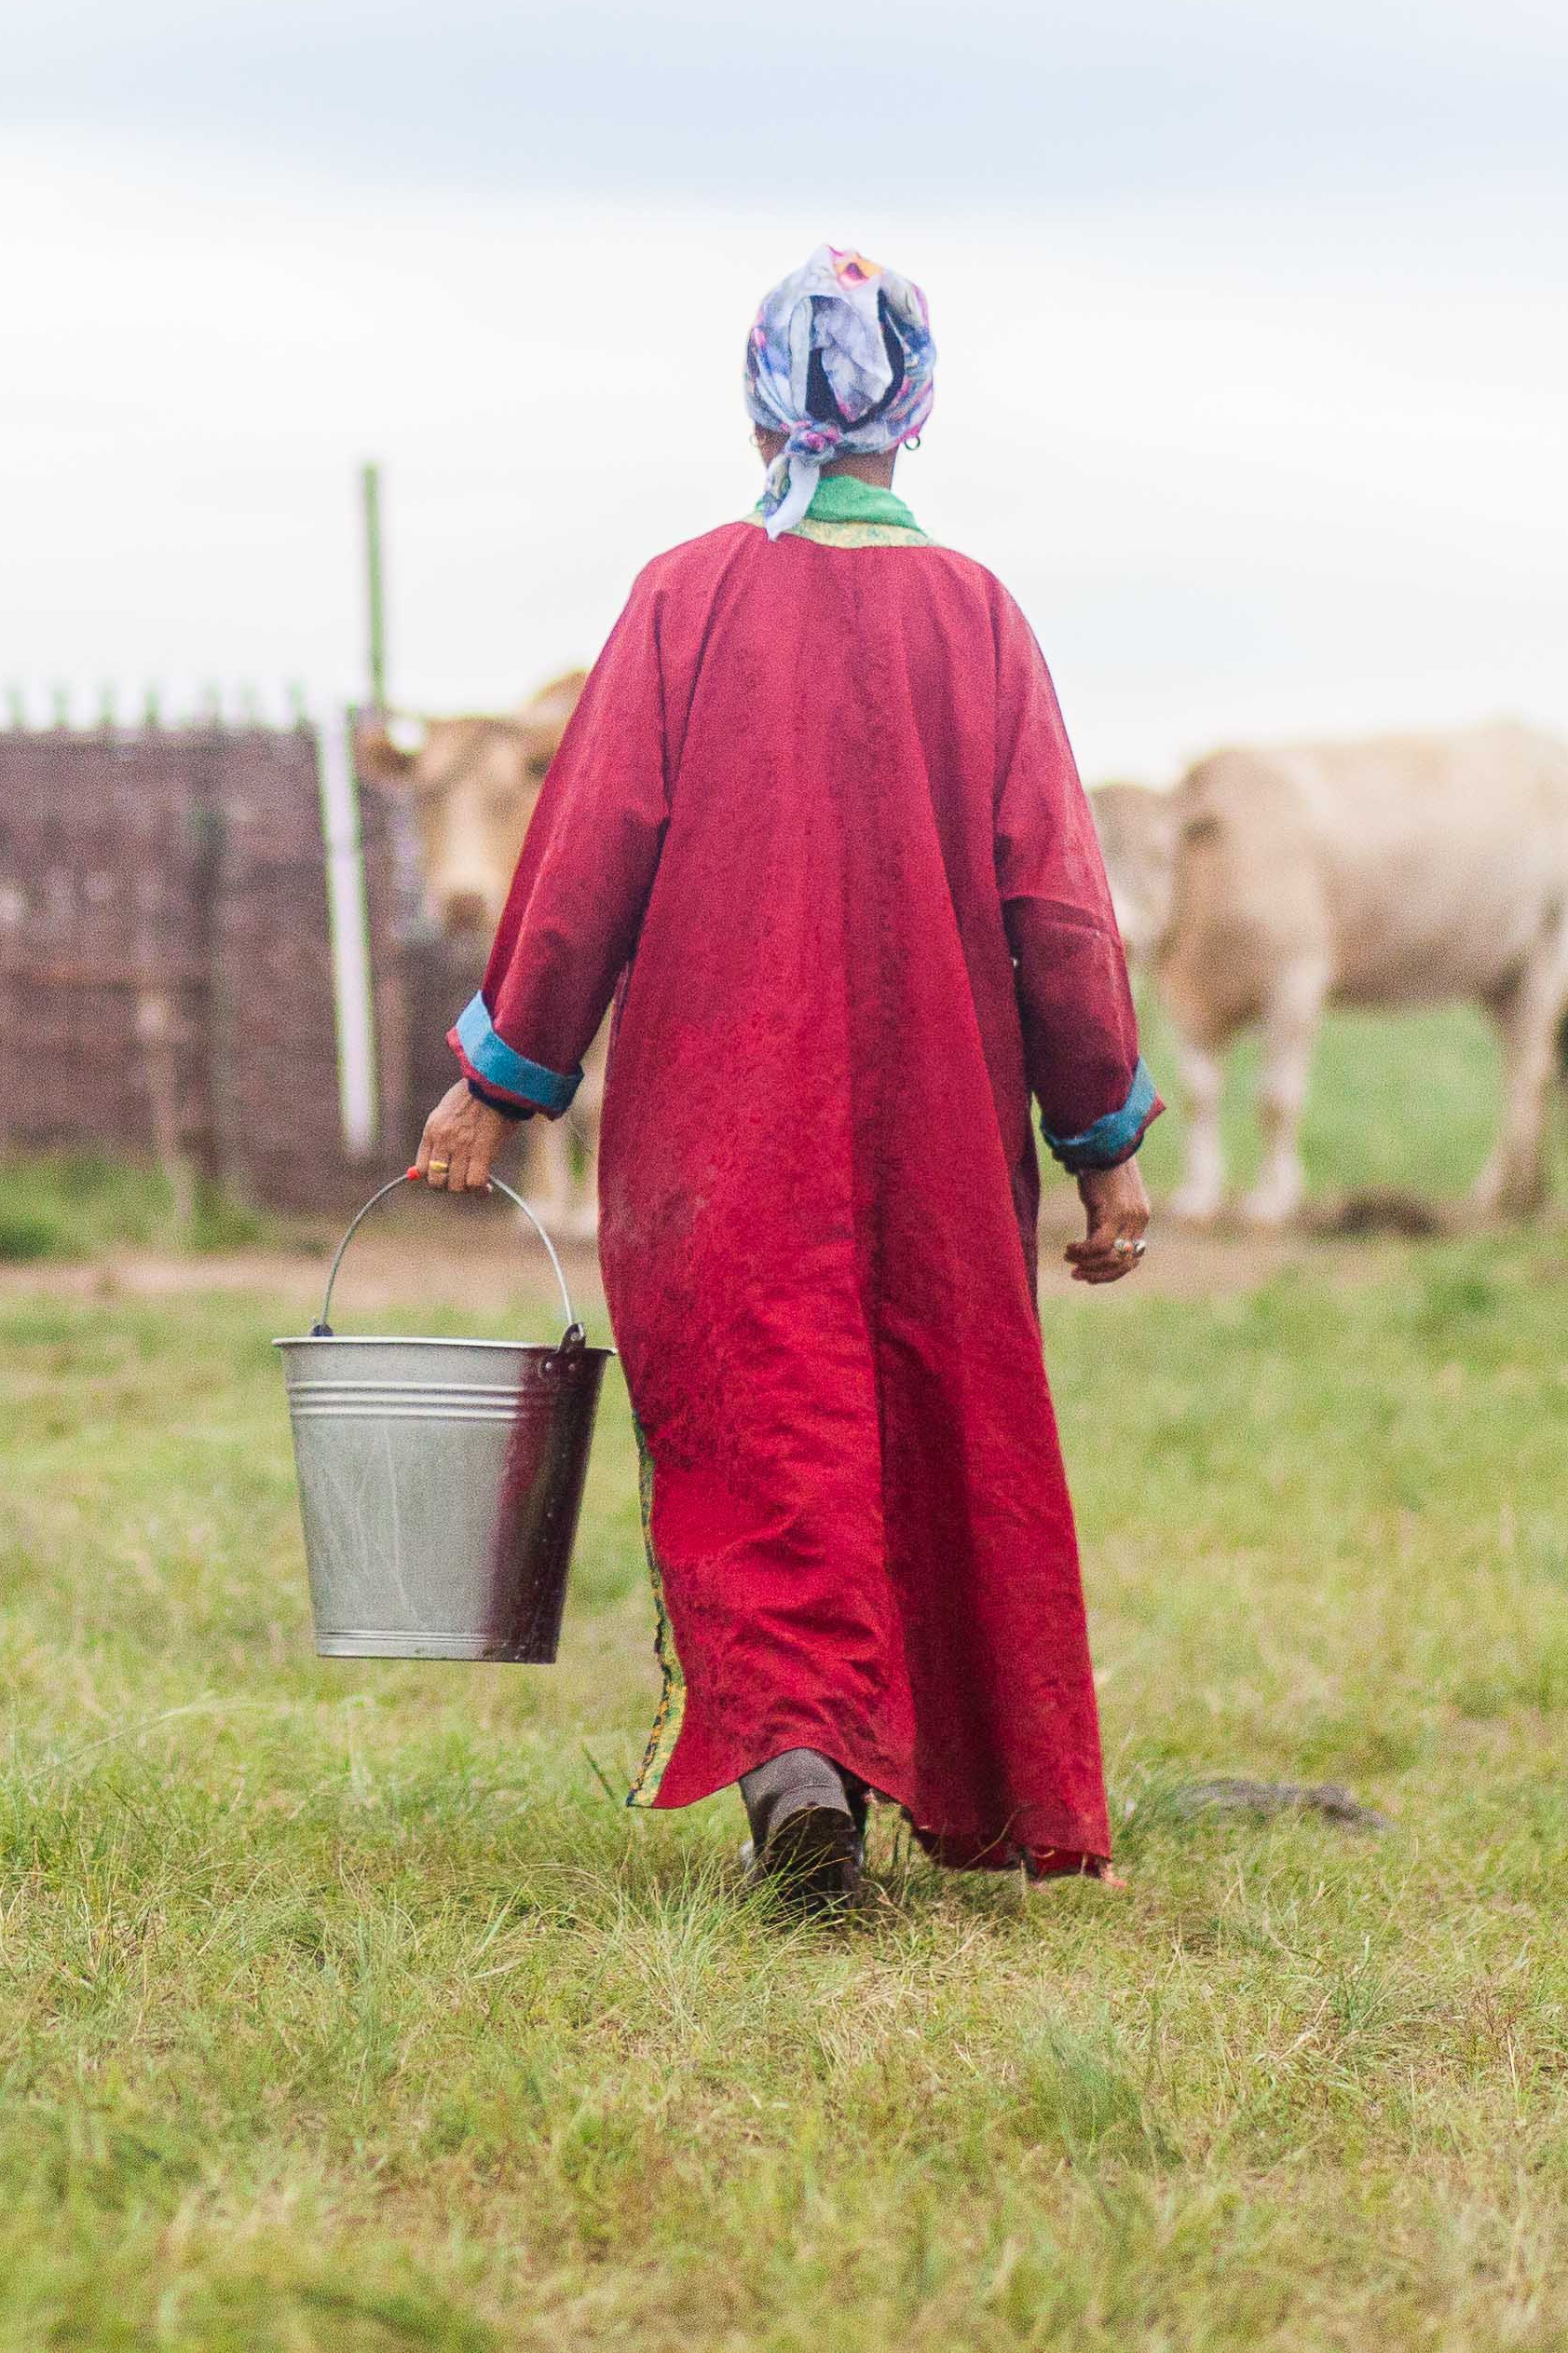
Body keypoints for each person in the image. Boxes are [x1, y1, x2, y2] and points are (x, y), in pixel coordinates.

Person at [413, 251, 1158, 1914]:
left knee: (759, 1429)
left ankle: (800, 1765)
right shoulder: (976, 617)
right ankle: (875, 1767)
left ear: (757, 400)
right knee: (916, 1425)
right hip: (941, 1144)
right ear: (917, 411)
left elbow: (581, 864)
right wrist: (1100, 1139)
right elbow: (1057, 904)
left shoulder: (684, 599)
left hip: (714, 1127)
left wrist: (500, 1081)